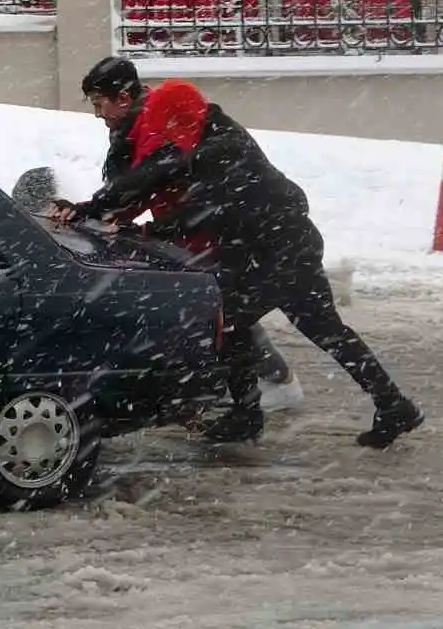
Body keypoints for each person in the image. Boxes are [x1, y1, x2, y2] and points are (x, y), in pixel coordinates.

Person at [56, 78, 424, 448]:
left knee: (228, 321)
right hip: (280, 244)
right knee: (324, 329)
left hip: (280, 250)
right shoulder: (207, 130)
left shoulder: (220, 147)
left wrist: (152, 228)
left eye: (167, 125)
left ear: (179, 117)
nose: (165, 134)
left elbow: (206, 210)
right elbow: (151, 175)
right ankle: (392, 404)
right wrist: (94, 207)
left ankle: (247, 414)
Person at [76, 57, 305, 414]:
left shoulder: (161, 111)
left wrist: (98, 209)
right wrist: (104, 213)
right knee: (218, 312)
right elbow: (139, 183)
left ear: (122, 97)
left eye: (98, 103)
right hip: (189, 225)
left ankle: (271, 385)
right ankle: (242, 390)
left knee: (223, 311)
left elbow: (156, 172)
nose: (96, 114)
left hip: (213, 224)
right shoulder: (131, 126)